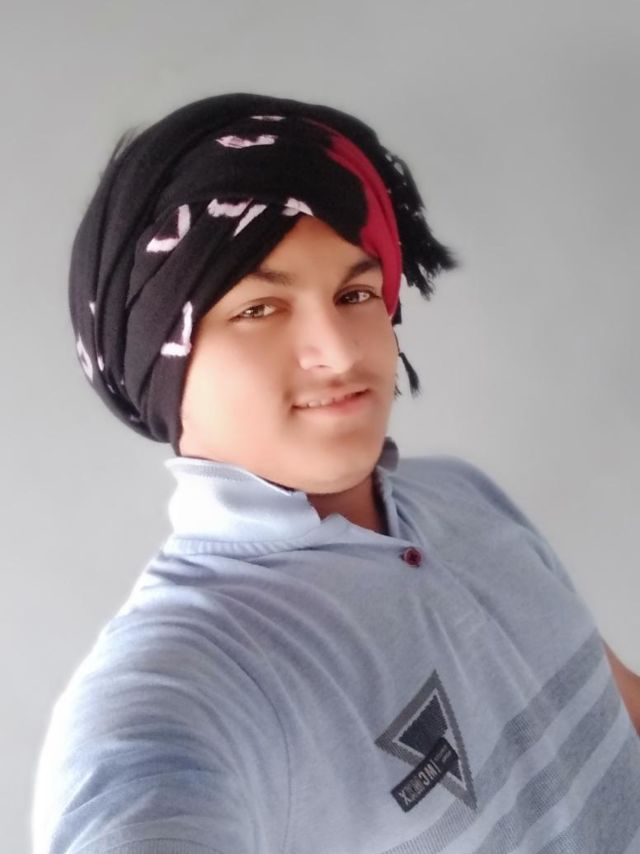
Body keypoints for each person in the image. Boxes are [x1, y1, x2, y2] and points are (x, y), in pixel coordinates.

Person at [32, 93, 640, 854]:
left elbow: (621, 709)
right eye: (259, 308)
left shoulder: (462, 496)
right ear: (159, 360)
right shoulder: (188, 675)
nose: (342, 350)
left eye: (355, 294)